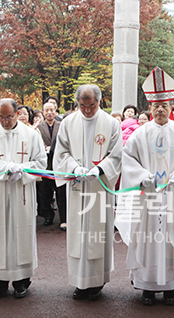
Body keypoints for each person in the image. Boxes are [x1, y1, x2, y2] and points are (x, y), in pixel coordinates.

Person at [117, 67, 174, 306]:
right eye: (156, 106)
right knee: (147, 239)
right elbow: (128, 159)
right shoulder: (140, 133)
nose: (160, 110)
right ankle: (146, 285)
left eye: (165, 105)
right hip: (148, 198)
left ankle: (170, 287)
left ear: (171, 107)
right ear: (150, 108)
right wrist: (142, 175)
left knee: (172, 237)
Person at [53, 84, 122, 301]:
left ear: (99, 102)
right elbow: (61, 152)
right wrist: (74, 168)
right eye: (82, 106)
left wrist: (100, 169)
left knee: (97, 234)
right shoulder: (68, 122)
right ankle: (80, 281)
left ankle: (97, 281)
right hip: (77, 188)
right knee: (78, 235)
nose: (87, 111)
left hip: (99, 187)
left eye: (91, 105)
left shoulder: (111, 123)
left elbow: (117, 155)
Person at [0, 98, 47, 299]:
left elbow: (41, 162)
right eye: (1, 117)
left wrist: (23, 170)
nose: (5, 121)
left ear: (17, 114)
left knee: (21, 233)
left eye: (9, 116)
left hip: (22, 191)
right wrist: (7, 168)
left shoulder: (31, 134)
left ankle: (21, 281)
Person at [36, 102, 62, 226]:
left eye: (51, 110)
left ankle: (63, 217)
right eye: (46, 110)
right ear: (43, 112)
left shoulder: (61, 125)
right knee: (45, 192)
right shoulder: (39, 127)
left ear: (56, 111)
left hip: (59, 163)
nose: (49, 112)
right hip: (45, 165)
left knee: (60, 191)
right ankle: (48, 215)